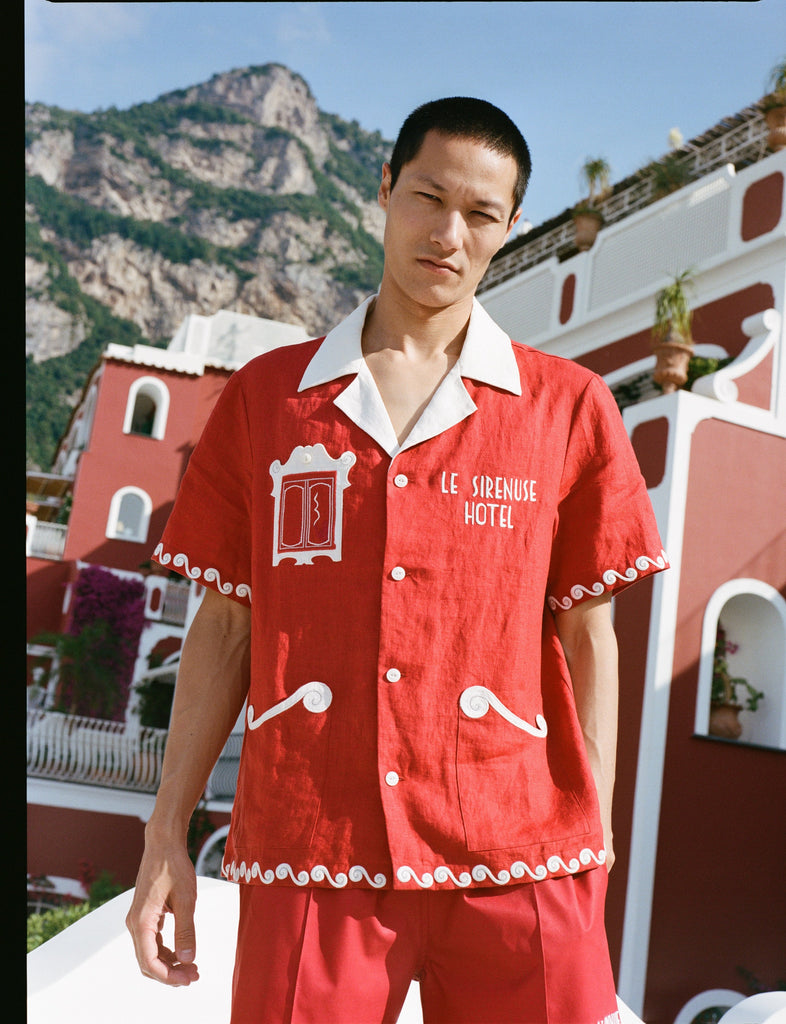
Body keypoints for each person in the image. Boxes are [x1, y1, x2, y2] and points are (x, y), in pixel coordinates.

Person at [126, 97, 668, 1023]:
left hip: (522, 846)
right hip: (313, 842)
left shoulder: (570, 410)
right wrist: (165, 835)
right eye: (429, 197)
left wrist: (598, 834)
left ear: (511, 228)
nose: (449, 234)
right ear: (383, 189)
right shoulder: (266, 401)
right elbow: (223, 625)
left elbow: (590, 638)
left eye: (482, 215)